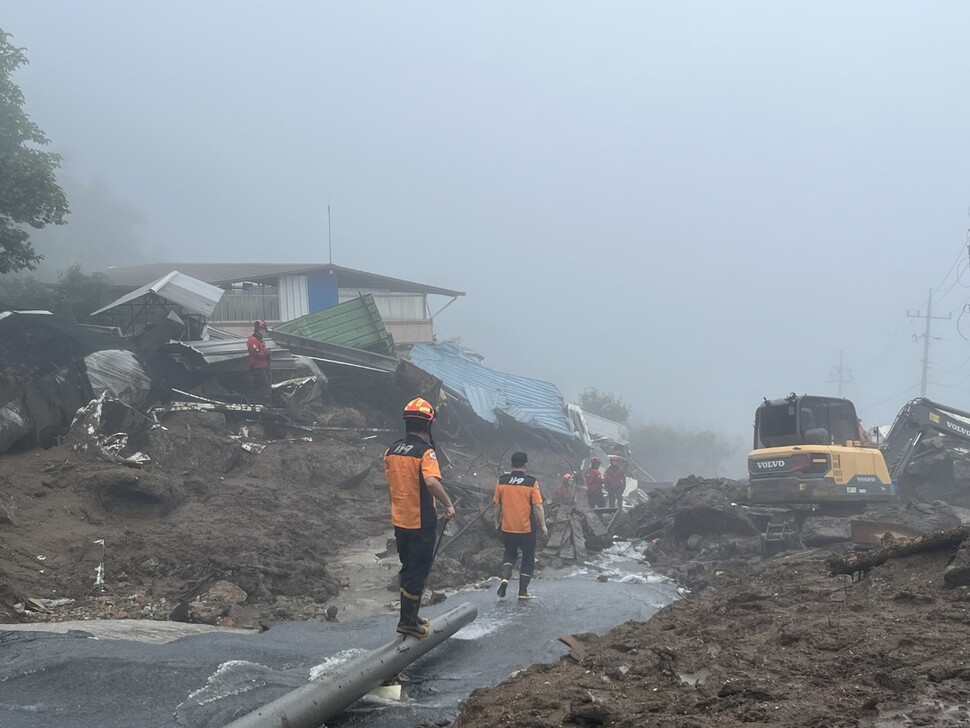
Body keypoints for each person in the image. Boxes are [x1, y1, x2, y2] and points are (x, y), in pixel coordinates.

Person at [384, 397, 455, 638]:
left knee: (408, 567)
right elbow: (431, 482)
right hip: (421, 520)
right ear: (427, 425)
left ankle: (411, 615)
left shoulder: (391, 450)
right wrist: (448, 504)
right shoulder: (426, 453)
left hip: (400, 519)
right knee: (418, 570)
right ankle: (407, 622)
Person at [493, 451, 548, 600]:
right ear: (526, 465)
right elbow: (537, 506)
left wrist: (497, 521)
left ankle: (505, 577)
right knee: (528, 558)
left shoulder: (502, 480)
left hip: (508, 527)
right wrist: (543, 525)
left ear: (511, 464)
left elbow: (497, 505)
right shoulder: (531, 482)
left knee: (509, 554)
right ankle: (523, 591)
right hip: (526, 528)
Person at [246, 319, 272, 404]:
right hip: (257, 368)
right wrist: (266, 353)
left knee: (264, 387)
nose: (264, 332)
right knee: (264, 387)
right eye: (263, 330)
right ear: (259, 329)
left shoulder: (261, 341)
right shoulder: (252, 340)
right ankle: (262, 404)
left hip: (263, 367)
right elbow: (257, 353)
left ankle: (261, 403)